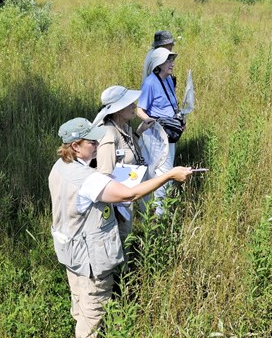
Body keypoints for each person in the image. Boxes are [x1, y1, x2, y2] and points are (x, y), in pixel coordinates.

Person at [49, 117, 192, 338]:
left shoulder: (60, 167)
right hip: (91, 260)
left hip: (70, 252)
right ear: (75, 146)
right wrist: (169, 175)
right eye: (92, 143)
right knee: (92, 316)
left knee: (80, 305)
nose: (98, 146)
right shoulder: (86, 180)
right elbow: (130, 194)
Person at [92, 86, 155, 255]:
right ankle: (121, 274)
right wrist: (114, 208)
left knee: (127, 234)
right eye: (129, 104)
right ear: (118, 110)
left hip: (126, 195)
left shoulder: (125, 127)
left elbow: (127, 151)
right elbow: (103, 175)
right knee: (121, 236)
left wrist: (139, 132)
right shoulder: (108, 134)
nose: (134, 106)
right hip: (117, 200)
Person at [136, 47, 182, 215]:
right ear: (159, 64)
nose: (172, 64)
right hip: (156, 133)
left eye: (172, 60)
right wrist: (149, 121)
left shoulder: (168, 79)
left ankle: (161, 208)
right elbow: (139, 109)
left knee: (166, 167)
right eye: (168, 61)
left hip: (170, 132)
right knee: (163, 170)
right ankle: (159, 213)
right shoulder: (150, 83)